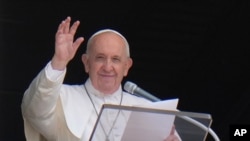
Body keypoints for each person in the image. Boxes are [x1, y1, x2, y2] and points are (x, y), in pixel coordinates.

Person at [21, 16, 180, 141]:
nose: (107, 66)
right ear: (86, 63)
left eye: (116, 59)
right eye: (100, 58)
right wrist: (59, 62)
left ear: (126, 67)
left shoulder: (147, 109)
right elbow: (35, 110)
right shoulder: (63, 97)